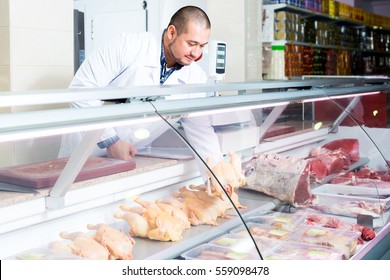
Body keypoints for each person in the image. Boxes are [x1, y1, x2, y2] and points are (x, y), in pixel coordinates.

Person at [58, 6, 224, 172]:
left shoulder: (196, 77)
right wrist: (111, 141)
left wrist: (218, 174)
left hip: (130, 155)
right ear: (172, 32)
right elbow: (81, 90)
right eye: (191, 44)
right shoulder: (127, 45)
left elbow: (200, 130)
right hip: (84, 153)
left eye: (202, 46)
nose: (196, 53)